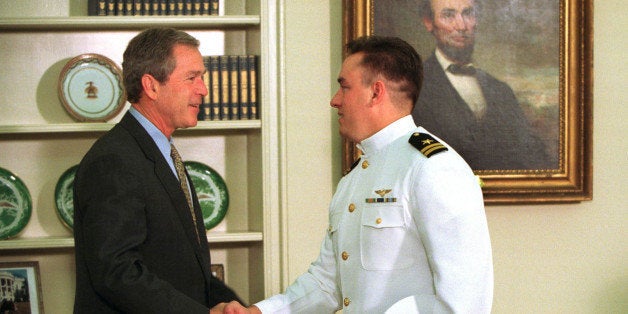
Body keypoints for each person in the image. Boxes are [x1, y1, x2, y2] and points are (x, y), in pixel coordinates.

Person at [223, 36, 493, 313]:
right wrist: (259, 312)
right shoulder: (354, 178)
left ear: (375, 93)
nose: (334, 100)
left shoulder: (433, 166)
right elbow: (328, 283)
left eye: (344, 87)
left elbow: (465, 301)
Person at [73, 28, 243, 313]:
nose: (203, 89)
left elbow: (187, 269)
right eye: (192, 78)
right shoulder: (113, 161)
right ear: (151, 86)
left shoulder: (161, 153)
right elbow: (117, 273)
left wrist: (231, 306)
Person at [413, 0, 553, 170]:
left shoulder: (501, 91)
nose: (462, 25)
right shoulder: (414, 86)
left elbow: (530, 153)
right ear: (429, 22)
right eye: (448, 15)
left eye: (468, 13)